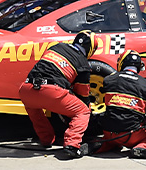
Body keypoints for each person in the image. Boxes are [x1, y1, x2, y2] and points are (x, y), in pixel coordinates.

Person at [18, 31, 96, 160]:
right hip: (50, 92)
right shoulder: (83, 63)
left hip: (26, 90)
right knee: (82, 111)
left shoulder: (56, 47)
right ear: (91, 49)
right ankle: (72, 144)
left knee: (35, 111)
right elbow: (82, 93)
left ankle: (46, 140)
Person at [94, 50, 146, 160]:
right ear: (139, 66)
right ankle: (141, 148)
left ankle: (101, 145)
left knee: (111, 139)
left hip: (108, 131)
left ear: (122, 63)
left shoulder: (108, 80)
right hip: (131, 134)